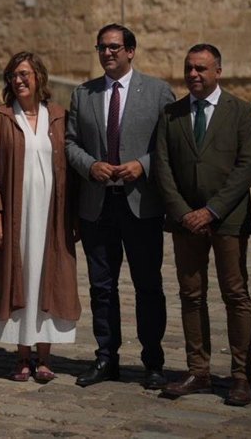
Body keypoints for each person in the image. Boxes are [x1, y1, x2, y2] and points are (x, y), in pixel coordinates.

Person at [66, 24, 174, 390]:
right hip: (97, 205)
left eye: (114, 47)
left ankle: (153, 361)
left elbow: (170, 144)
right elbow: (70, 143)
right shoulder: (84, 94)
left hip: (141, 204)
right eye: (102, 47)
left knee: (148, 285)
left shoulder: (158, 92)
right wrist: (90, 166)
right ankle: (106, 357)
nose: (107, 53)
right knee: (102, 287)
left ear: (130, 50)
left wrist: (143, 164)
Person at [153, 44, 251, 407]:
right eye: (189, 68)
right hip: (185, 221)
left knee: (235, 294)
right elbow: (163, 166)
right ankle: (198, 370)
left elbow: (248, 165)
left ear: (218, 71)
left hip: (228, 219)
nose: (193, 74)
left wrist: (212, 210)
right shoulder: (171, 114)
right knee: (191, 294)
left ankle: (241, 376)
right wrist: (184, 212)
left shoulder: (240, 111)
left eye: (201, 68)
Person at [0, 52, 79, 384]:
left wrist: (73, 216)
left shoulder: (59, 117)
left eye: (24, 74)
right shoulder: (0, 117)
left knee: (49, 278)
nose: (18, 80)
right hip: (16, 214)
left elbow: (71, 170)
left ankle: (44, 357)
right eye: (13, 75)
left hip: (51, 214)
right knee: (18, 277)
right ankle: (21, 355)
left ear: (39, 77)